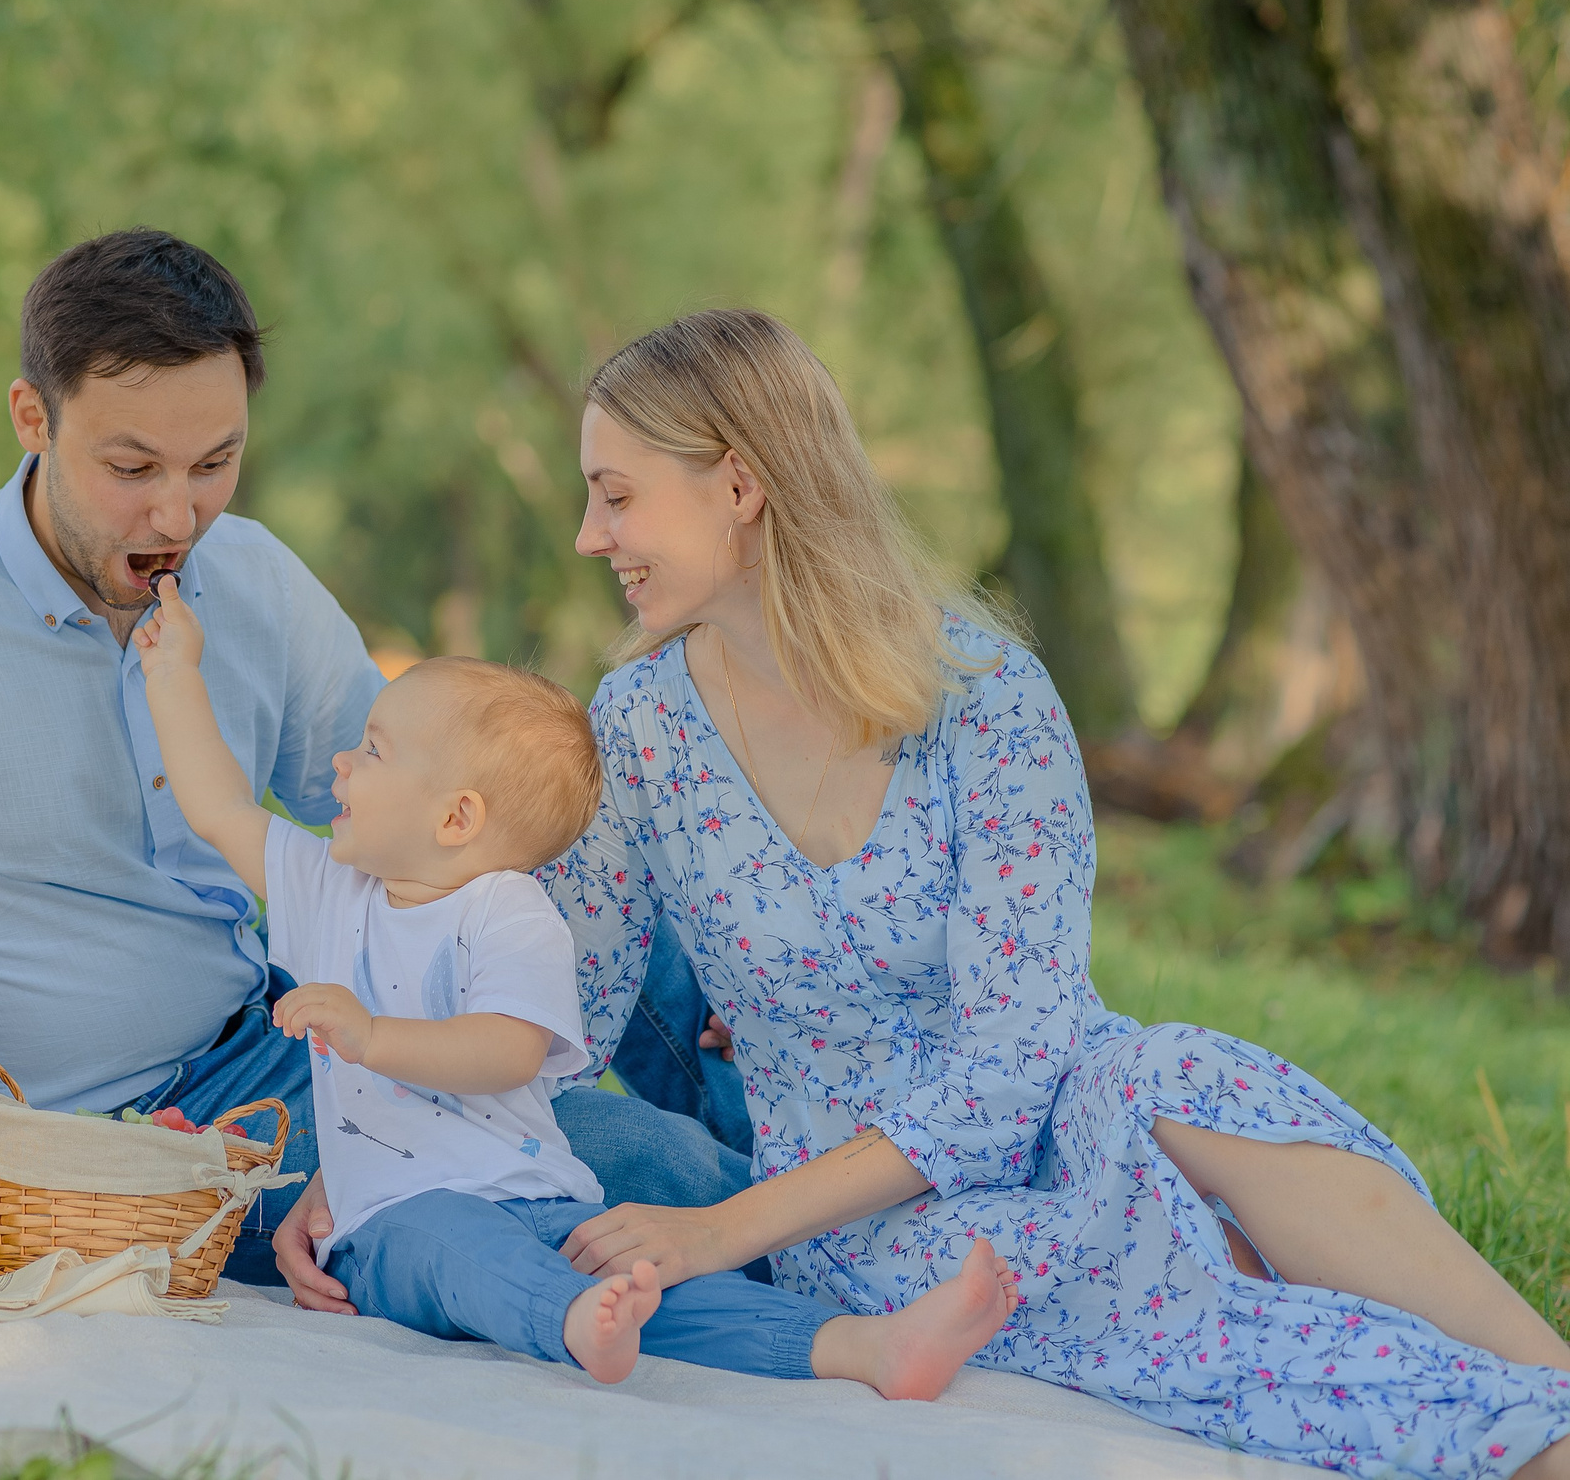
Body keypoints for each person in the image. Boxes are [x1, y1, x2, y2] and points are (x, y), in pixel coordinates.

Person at [530, 308, 1570, 1478]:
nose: (588, 535)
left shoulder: (984, 695)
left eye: (615, 495)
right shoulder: (639, 725)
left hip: (1056, 1099)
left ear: (738, 485)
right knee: (1138, 1271)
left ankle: (1551, 1382)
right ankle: (1520, 1443)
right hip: (866, 1209)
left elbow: (1015, 1065)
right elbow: (556, 1014)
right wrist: (375, 1155)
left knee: (1183, 1066)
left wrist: (712, 1232)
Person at [0, 228, 750, 1283]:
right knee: (646, 1168)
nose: (178, 514)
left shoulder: (251, 575)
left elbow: (454, 799)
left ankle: (817, 1133)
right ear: (31, 418)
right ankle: (849, 1251)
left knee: (626, 959)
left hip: (286, 1042)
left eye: (215, 463)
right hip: (115, 1141)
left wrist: (697, 951)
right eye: (131, 467)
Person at [134, 578, 1021, 1389]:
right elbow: (216, 805)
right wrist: (176, 669)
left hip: (542, 1197)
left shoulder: (510, 913)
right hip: (386, 1226)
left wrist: (373, 1036)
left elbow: (509, 1048)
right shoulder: (328, 886)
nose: (340, 765)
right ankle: (566, 1320)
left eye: (373, 749)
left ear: (456, 817)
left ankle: (863, 1346)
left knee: (651, 1282)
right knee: (453, 1243)